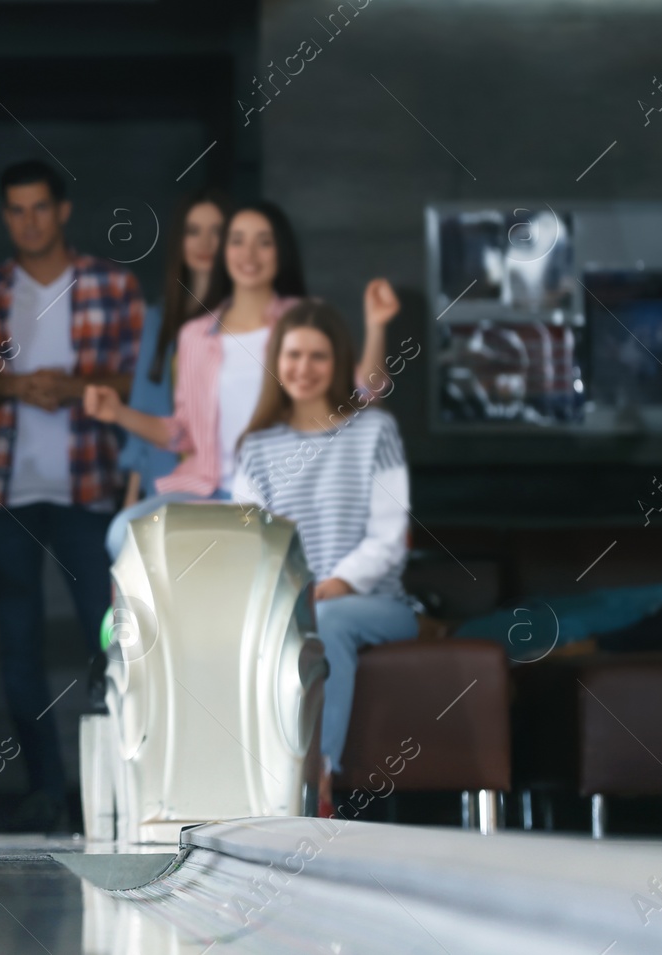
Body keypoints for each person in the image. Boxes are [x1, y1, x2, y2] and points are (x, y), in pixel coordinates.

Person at [0, 159, 144, 831]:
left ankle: (123, 785)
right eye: (16, 210)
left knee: (112, 635)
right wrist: (14, 385)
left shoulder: (110, 283)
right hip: (6, 490)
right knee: (19, 646)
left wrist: (66, 387)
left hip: (90, 486)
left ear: (62, 210)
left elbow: (139, 384)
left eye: (40, 207)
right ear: (6, 215)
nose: (29, 220)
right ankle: (45, 786)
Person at [85, 201, 400, 554]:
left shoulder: (304, 320)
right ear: (223, 252)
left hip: (283, 492)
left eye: (263, 242)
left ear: (281, 251)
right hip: (207, 491)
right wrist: (118, 413)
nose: (249, 253)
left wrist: (376, 328)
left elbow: (363, 395)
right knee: (123, 536)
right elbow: (183, 433)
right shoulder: (195, 335)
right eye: (237, 240)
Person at [229, 299, 419, 816]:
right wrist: (293, 596)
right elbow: (252, 545)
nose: (304, 369)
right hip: (288, 604)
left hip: (372, 605)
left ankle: (318, 782)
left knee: (327, 620)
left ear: (339, 363)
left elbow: (388, 537)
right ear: (277, 361)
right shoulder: (256, 447)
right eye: (294, 355)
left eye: (319, 357)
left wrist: (332, 586)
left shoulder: (375, 431)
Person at [118, 188, 231, 509]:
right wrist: (131, 497)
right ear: (179, 241)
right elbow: (144, 406)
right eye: (193, 231)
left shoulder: (244, 319)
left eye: (217, 232)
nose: (205, 243)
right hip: (166, 478)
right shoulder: (158, 318)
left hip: (227, 482)